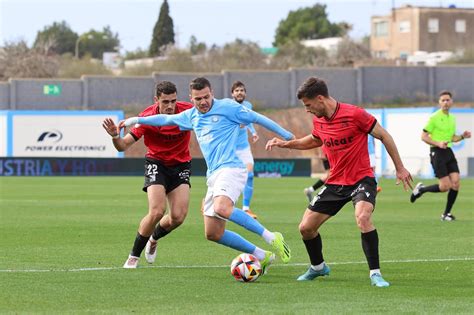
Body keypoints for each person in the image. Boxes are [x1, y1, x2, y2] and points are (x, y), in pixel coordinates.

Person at [120, 77, 293, 273]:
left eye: (206, 97)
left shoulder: (229, 107)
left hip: (232, 168)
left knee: (222, 207)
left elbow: (258, 118)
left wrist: (287, 136)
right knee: (213, 233)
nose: (203, 102)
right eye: (198, 98)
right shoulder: (191, 115)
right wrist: (136, 120)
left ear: (212, 94)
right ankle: (262, 256)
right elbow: (165, 119)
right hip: (214, 175)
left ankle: (271, 237)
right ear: (191, 99)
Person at [266, 77, 413, 287]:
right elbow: (316, 139)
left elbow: (384, 136)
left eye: (308, 105)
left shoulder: (355, 114)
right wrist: (287, 144)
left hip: (362, 179)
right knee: (306, 228)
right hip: (336, 183)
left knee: (362, 217)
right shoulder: (319, 119)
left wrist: (399, 167)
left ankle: (375, 274)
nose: (307, 110)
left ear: (320, 99)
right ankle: (318, 267)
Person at [102, 81, 193, 269]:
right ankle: (133, 257)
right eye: (165, 101)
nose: (170, 106)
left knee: (178, 217)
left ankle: (154, 238)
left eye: (173, 101)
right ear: (156, 100)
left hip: (181, 165)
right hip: (157, 164)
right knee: (157, 211)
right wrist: (114, 136)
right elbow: (123, 146)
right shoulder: (146, 117)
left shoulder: (188, 111)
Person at [410, 90, 471, 221]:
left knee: (456, 182)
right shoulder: (434, 117)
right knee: (445, 187)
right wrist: (438, 143)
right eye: (443, 100)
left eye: (448, 100)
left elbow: (452, 138)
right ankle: (421, 190)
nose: (445, 102)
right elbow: (423, 136)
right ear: (439, 102)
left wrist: (462, 137)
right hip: (437, 152)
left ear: (451, 102)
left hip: (448, 151)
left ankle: (446, 214)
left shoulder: (452, 118)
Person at [231, 81, 259, 219]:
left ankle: (246, 209)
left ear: (245, 93)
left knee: (250, 175)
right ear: (232, 94)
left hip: (244, 148)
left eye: (242, 90)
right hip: (229, 150)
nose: (239, 92)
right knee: (227, 178)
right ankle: (210, 202)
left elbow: (249, 121)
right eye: (237, 91)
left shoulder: (248, 106)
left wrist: (253, 132)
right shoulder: (228, 107)